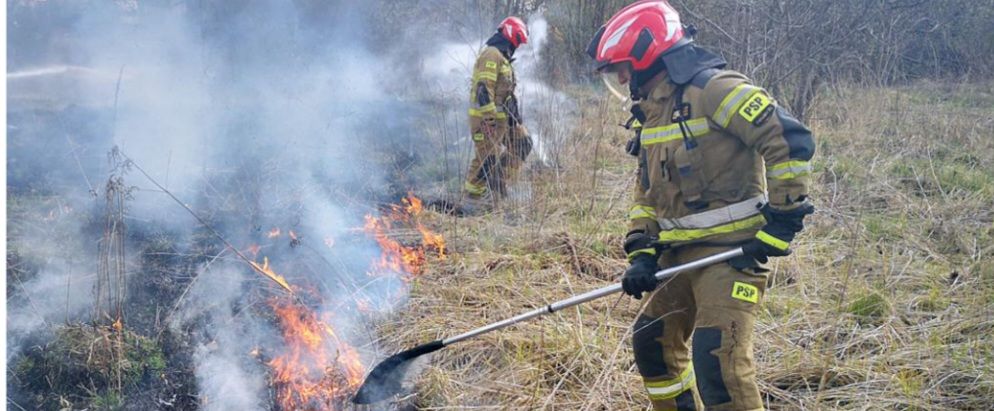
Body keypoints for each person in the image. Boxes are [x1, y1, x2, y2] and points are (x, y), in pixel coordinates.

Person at [587, 1, 816, 410]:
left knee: (718, 361)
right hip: (678, 255)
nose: (621, 78)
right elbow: (647, 193)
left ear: (646, 54)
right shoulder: (652, 112)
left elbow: (788, 138)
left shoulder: (714, 90)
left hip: (732, 254)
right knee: (653, 345)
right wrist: (642, 250)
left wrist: (783, 218)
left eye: (622, 67)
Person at [462, 16, 533, 214]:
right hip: (487, 120)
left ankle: (497, 183)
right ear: (510, 35)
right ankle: (471, 201)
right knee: (487, 159)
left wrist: (514, 116)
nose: (517, 46)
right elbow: (484, 89)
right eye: (517, 41)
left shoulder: (503, 58)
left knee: (523, 143)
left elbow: (505, 92)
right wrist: (489, 119)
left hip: (504, 120)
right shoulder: (491, 55)